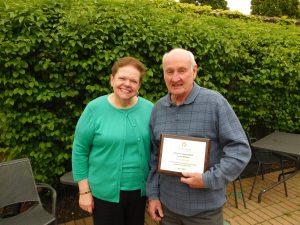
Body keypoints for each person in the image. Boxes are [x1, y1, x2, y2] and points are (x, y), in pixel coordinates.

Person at [146, 48, 251, 225]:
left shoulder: (215, 103)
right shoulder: (158, 108)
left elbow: (240, 150)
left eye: (182, 70)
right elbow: (155, 157)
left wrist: (208, 179)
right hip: (168, 208)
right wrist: (153, 195)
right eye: (169, 71)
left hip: (204, 211)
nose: (175, 78)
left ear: (194, 71)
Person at [72, 56, 153, 225]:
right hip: (104, 192)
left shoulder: (149, 109)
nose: (127, 84)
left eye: (133, 81)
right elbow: (80, 150)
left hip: (139, 191)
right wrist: (84, 192)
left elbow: (157, 148)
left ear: (139, 85)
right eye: (122, 78)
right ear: (112, 79)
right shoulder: (94, 109)